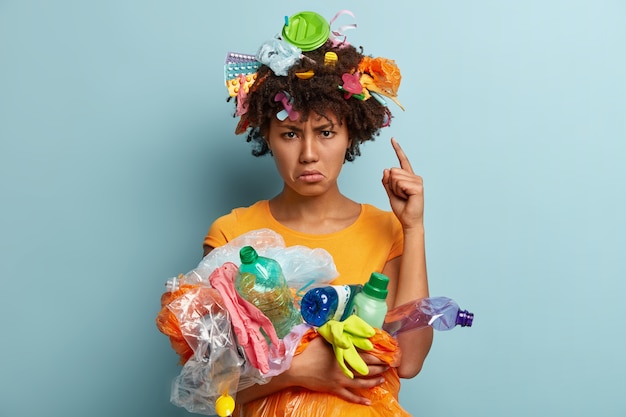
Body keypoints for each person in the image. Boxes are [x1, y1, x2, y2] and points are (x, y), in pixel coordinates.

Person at [203, 11, 433, 416]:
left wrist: (412, 228)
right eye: (290, 133)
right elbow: (210, 381)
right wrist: (297, 371)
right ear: (268, 138)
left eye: (326, 132)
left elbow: (409, 360)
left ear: (350, 135)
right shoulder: (231, 234)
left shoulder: (386, 230)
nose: (309, 153)